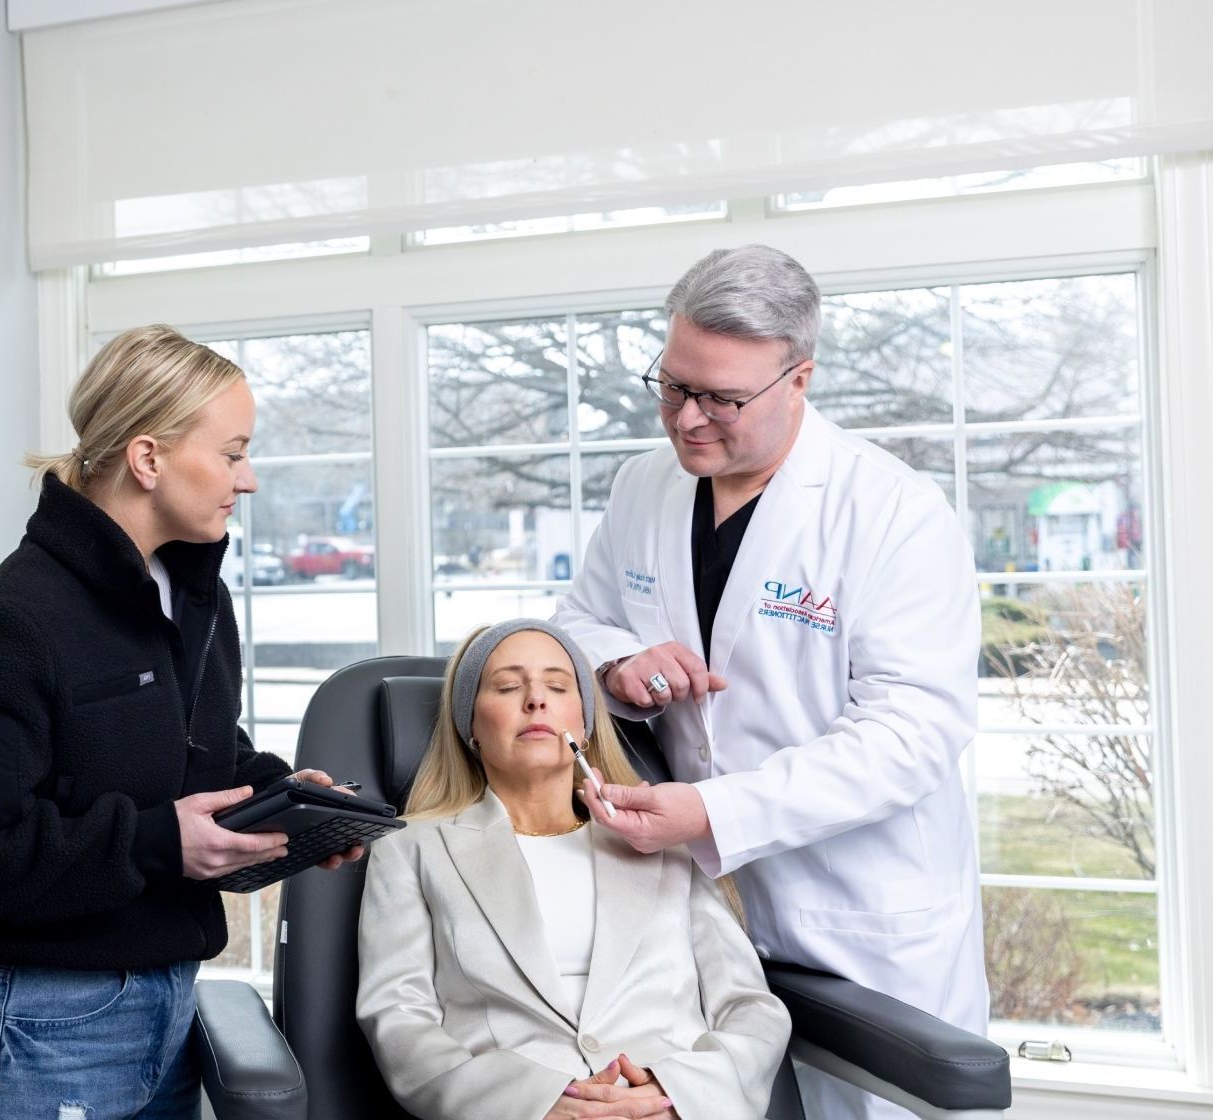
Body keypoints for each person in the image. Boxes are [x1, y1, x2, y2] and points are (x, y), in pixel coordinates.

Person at [553, 245, 987, 1119]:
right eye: (673, 386)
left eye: (722, 398)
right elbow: (576, 619)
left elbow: (913, 733)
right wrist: (615, 661)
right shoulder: (644, 487)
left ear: (800, 378)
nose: (687, 421)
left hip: (859, 914)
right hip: (699, 920)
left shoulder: (893, 513)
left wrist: (717, 813)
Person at [0, 324, 363, 1120]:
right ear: (148, 458)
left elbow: (191, 754)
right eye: (231, 453)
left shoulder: (194, 597)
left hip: (169, 1006)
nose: (247, 479)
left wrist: (284, 800)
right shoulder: (10, 627)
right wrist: (162, 841)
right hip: (44, 1026)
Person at [357, 618, 788, 1120]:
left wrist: (676, 1096)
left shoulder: (661, 841)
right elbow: (399, 1018)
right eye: (508, 686)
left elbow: (749, 1007)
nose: (536, 700)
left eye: (558, 686)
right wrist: (532, 1106)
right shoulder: (413, 849)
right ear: (468, 723)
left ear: (584, 721)